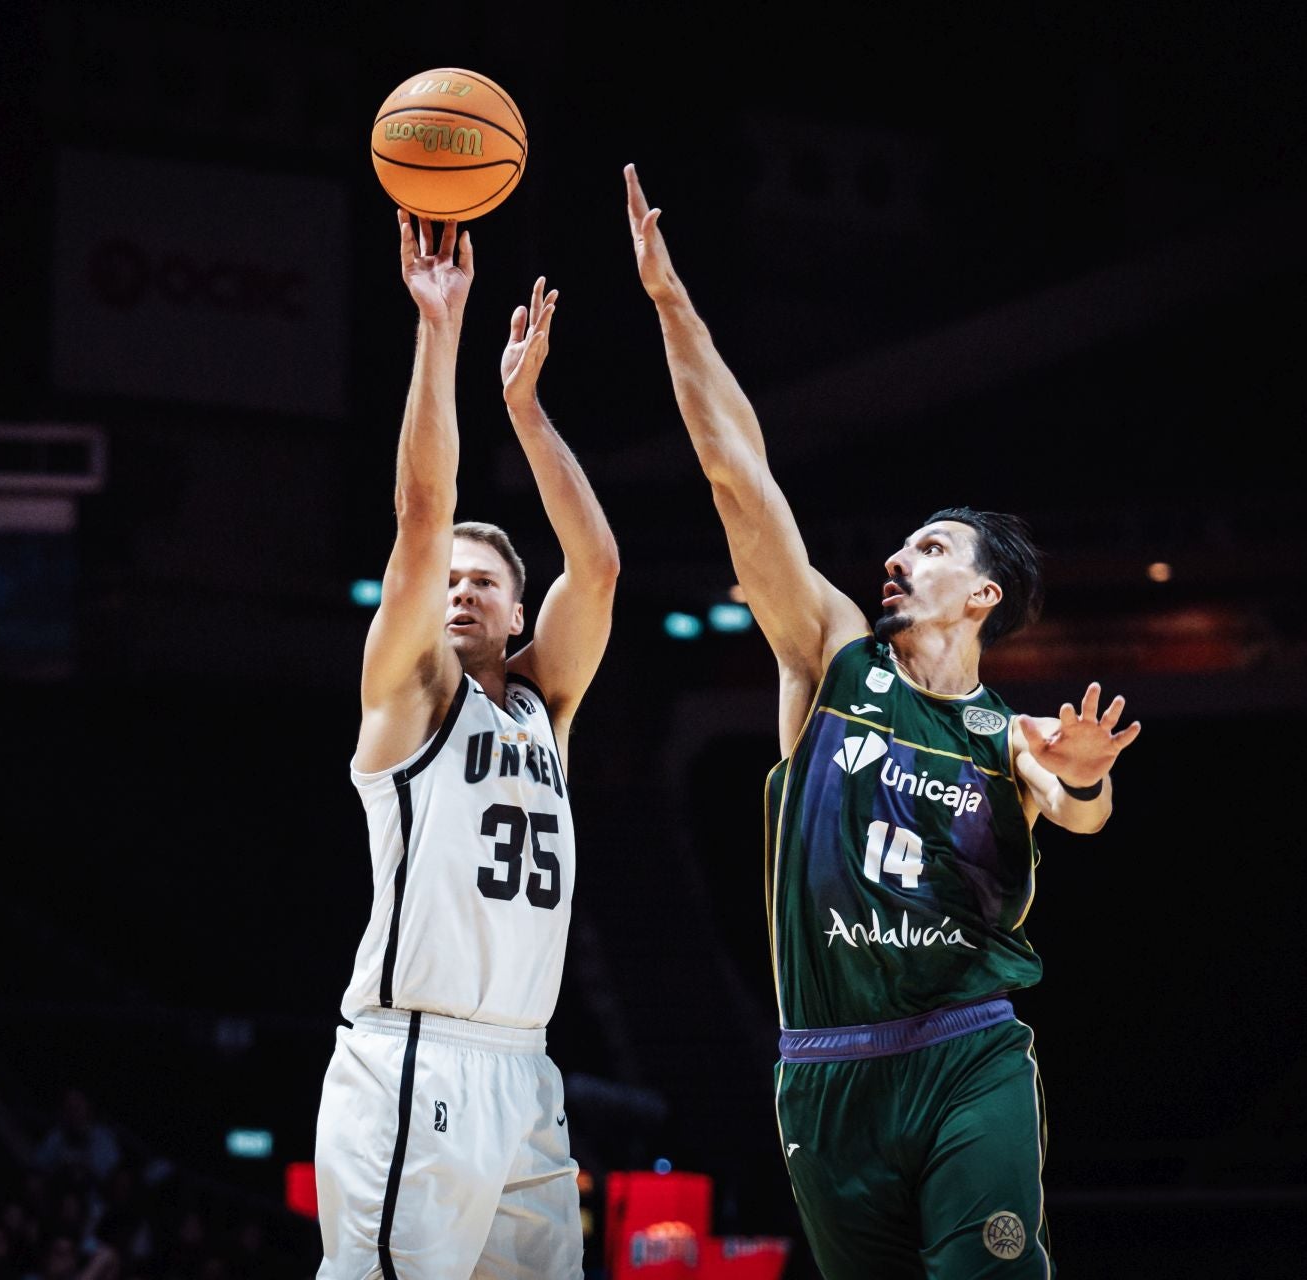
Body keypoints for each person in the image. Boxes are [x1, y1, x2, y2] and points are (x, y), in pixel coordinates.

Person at [623, 162, 1143, 1278]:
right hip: (827, 1067)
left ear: (982, 595)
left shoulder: (1006, 731)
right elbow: (735, 470)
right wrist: (674, 308)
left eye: (934, 548)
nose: (900, 556)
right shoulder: (830, 655)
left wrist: (1088, 776)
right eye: (903, 545)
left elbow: (1077, 810)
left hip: (967, 1051)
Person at [312, 210, 621, 1279]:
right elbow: (421, 509)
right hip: (411, 1056)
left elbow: (602, 565)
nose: (456, 590)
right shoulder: (404, 691)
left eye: (481, 580)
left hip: (525, 1069)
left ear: (516, 608)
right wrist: (439, 330)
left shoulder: (546, 704)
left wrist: (526, 411)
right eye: (445, 579)